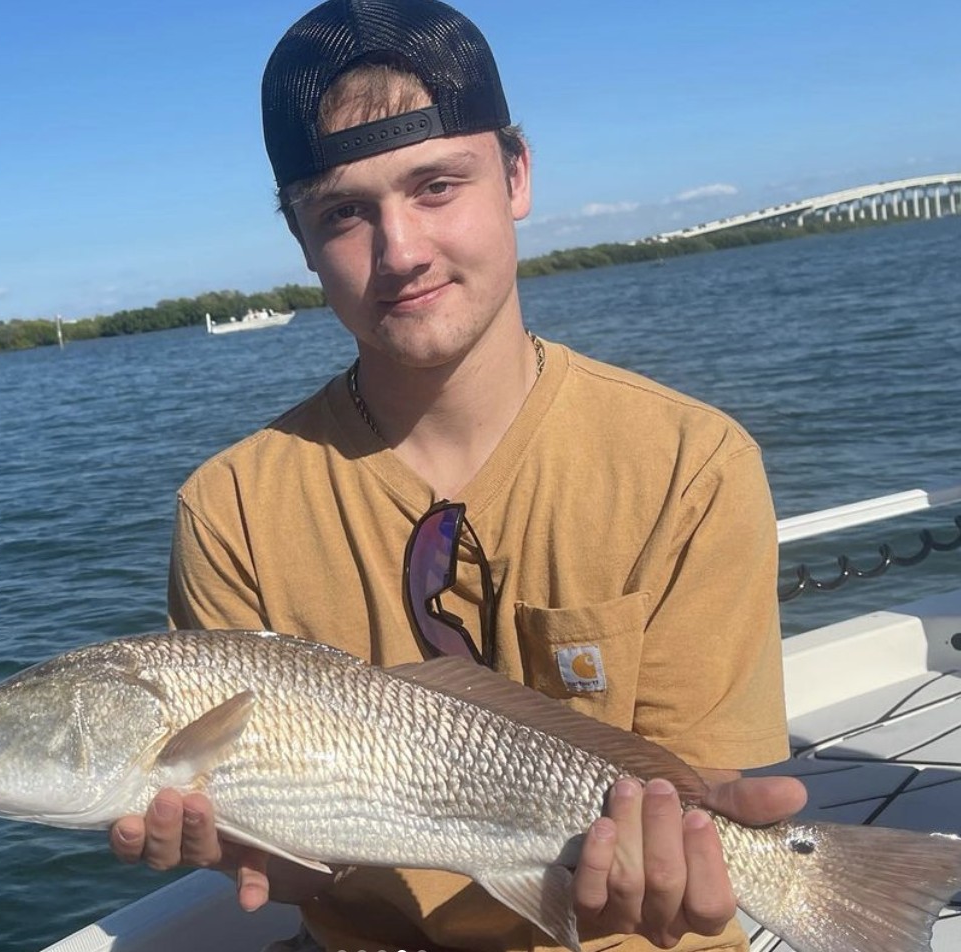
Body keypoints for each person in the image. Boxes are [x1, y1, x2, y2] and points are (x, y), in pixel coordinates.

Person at [111, 0, 807, 949]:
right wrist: (244, 849)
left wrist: (695, 859)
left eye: (436, 185)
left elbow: (703, 802)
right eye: (344, 213)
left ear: (516, 175)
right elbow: (290, 864)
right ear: (302, 243)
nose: (400, 251)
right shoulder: (229, 507)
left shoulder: (694, 465)